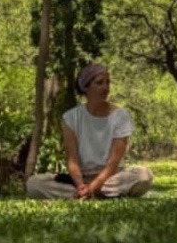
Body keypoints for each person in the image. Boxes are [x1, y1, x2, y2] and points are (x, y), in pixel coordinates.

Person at [26, 63, 154, 199]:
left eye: (107, 83)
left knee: (144, 176)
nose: (105, 88)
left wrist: (93, 186)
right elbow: (72, 160)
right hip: (81, 178)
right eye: (99, 83)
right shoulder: (70, 118)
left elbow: (113, 163)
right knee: (34, 184)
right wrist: (81, 184)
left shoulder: (121, 116)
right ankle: (92, 193)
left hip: (112, 177)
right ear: (86, 87)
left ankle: (90, 193)